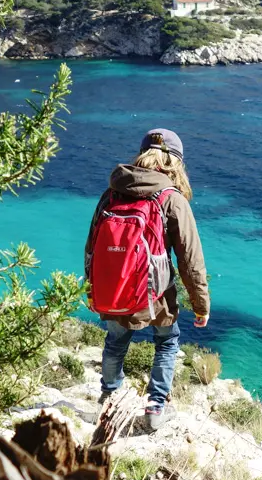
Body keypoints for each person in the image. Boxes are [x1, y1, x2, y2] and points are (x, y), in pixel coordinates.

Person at [87, 129, 210, 430]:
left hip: (114, 286)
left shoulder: (112, 191)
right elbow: (190, 259)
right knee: (167, 342)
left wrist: (91, 289)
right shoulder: (171, 198)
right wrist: (201, 304)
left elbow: (92, 244)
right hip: (155, 293)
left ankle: (108, 397)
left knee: (115, 341)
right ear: (176, 162)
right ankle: (156, 407)